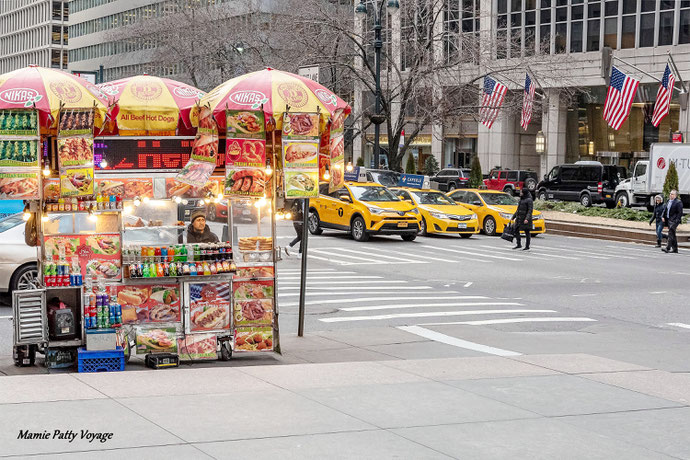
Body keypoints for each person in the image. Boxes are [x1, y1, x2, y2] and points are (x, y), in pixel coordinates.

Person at [662, 189, 683, 253]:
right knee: (673, 234)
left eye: (672, 194)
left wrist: (677, 220)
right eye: (670, 194)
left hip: (674, 221)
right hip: (669, 219)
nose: (670, 195)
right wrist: (663, 216)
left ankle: (667, 247)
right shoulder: (668, 201)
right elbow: (665, 209)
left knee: (670, 233)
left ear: (675, 195)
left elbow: (680, 213)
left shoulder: (678, 202)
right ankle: (675, 249)